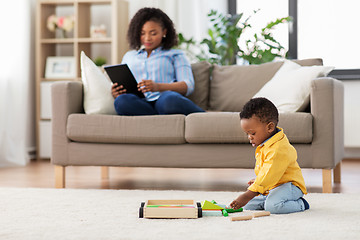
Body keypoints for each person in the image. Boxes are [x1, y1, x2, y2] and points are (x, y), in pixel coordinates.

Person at [111, 7, 205, 116]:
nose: (147, 38)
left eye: (153, 33)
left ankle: (203, 116)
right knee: (121, 101)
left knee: (168, 101)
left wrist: (158, 87)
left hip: (165, 99)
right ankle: (157, 116)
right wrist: (116, 92)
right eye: (142, 33)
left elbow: (188, 85)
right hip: (139, 103)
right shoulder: (129, 56)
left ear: (164, 32)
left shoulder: (175, 54)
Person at [229, 97, 309, 214]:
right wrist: (258, 181)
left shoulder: (279, 149)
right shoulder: (265, 144)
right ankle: (269, 199)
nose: (249, 137)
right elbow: (267, 170)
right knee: (249, 206)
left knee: (273, 207)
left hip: (290, 186)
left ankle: (301, 204)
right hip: (273, 186)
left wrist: (248, 194)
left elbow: (270, 173)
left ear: (270, 127)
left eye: (252, 133)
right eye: (247, 134)